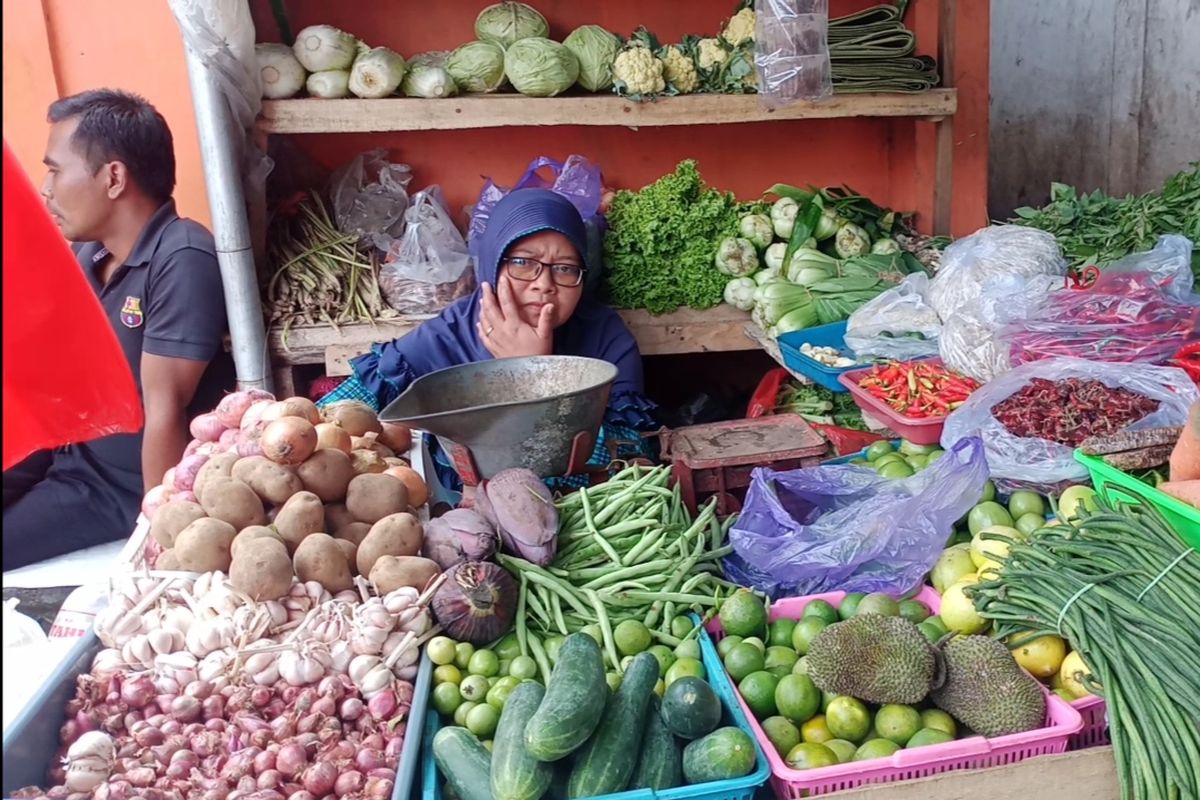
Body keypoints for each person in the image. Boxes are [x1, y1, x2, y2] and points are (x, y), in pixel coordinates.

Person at [2, 89, 233, 570]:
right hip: (67, 449)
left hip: (113, 485)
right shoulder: (92, 254)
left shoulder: (182, 257)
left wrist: (161, 537)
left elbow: (164, 408)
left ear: (113, 178)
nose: (46, 189)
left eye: (55, 169)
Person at [318, 188, 656, 485]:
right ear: (494, 264)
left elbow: (630, 459)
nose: (544, 284)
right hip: (466, 512)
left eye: (566, 268)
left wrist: (535, 373)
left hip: (584, 511)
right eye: (524, 262)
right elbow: (334, 416)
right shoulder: (452, 331)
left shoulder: (606, 338)